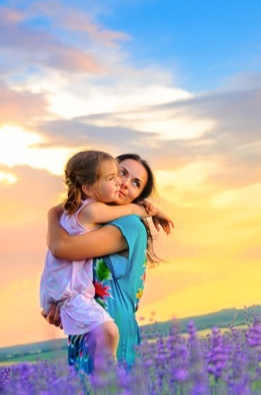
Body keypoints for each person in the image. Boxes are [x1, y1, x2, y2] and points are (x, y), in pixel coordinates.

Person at [44, 153, 172, 369]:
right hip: (87, 323)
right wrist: (62, 304)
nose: (124, 183)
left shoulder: (130, 225)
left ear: (138, 197)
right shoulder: (92, 222)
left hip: (111, 328)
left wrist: (51, 215)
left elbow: (61, 248)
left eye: (135, 183)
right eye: (121, 173)